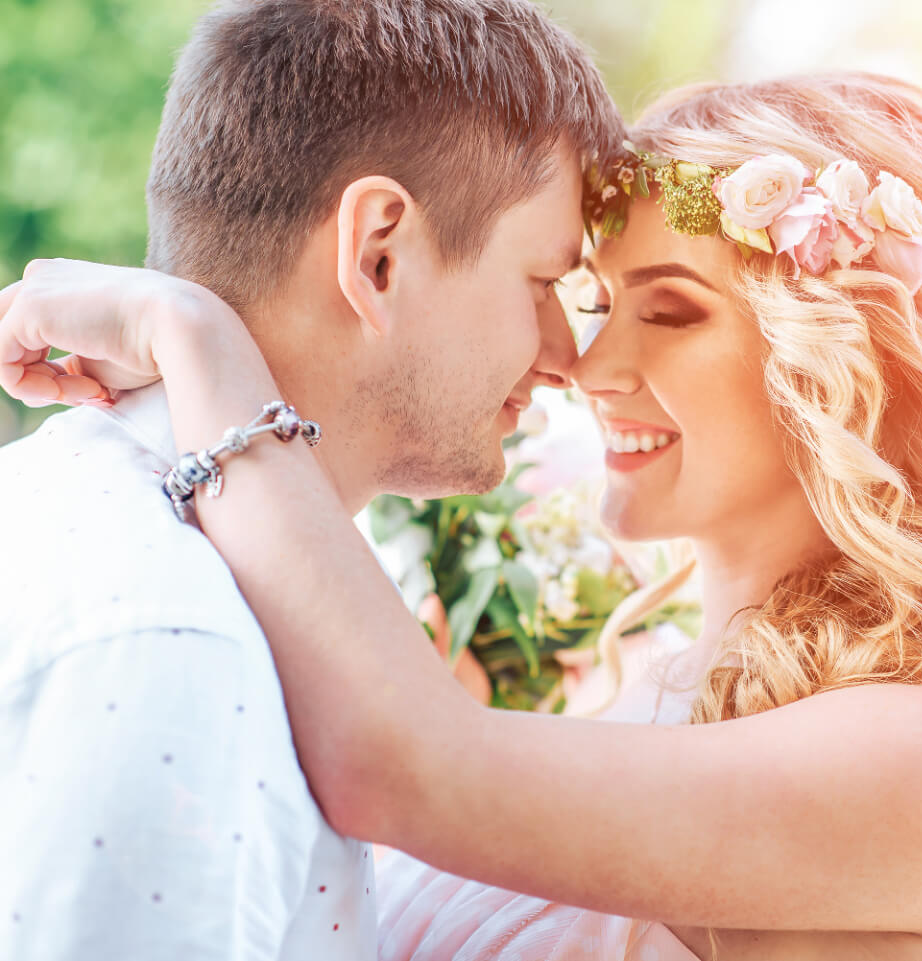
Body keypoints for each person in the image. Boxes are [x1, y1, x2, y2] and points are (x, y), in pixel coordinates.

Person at [1, 72, 922, 961]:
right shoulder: (622, 688)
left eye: (671, 310)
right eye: (598, 303)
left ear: (844, 363)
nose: (587, 366)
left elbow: (407, 768)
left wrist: (192, 332)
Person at [0, 0, 620, 957]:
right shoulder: (180, 640)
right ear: (378, 254)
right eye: (543, 284)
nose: (564, 356)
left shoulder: (116, 525)